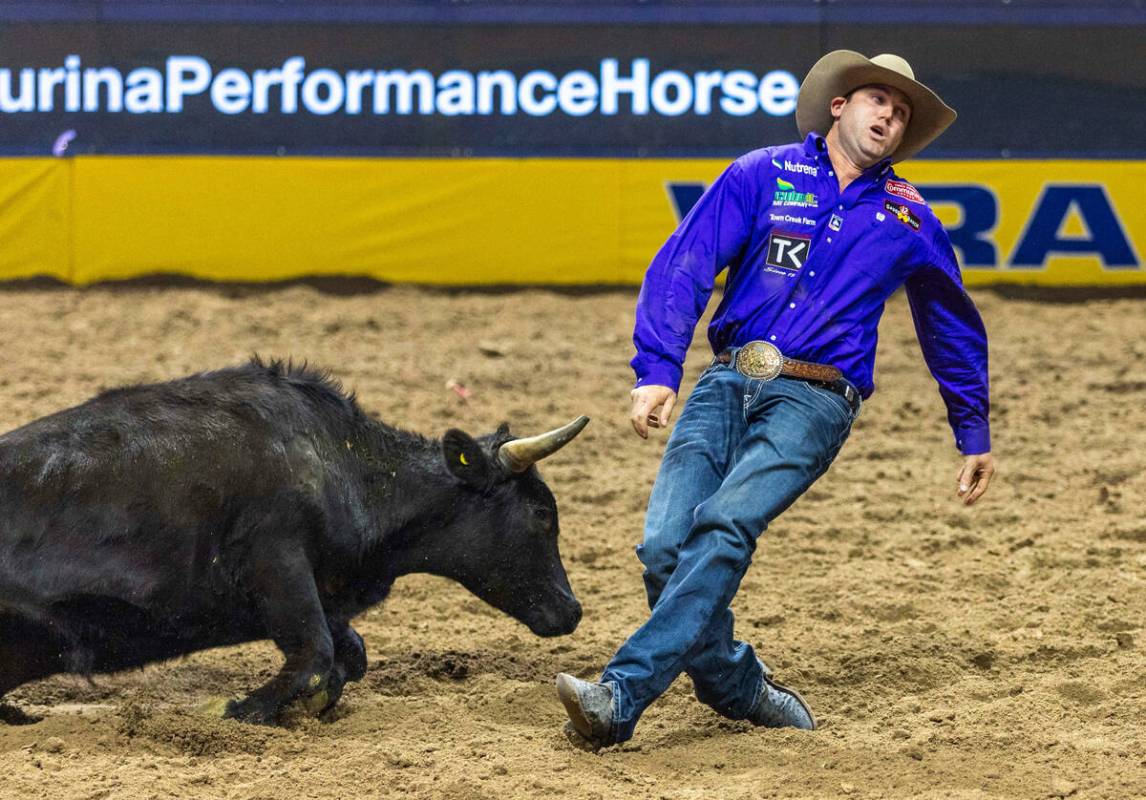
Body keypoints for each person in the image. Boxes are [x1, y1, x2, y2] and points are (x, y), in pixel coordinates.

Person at [555, 51, 996, 749]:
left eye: (903, 110)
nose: (890, 114)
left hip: (817, 400)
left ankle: (620, 694)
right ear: (839, 106)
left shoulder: (910, 217)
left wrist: (972, 430)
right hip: (726, 379)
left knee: (725, 523)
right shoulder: (761, 173)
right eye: (879, 98)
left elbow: (950, 323)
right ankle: (738, 685)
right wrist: (659, 366)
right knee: (663, 548)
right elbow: (686, 263)